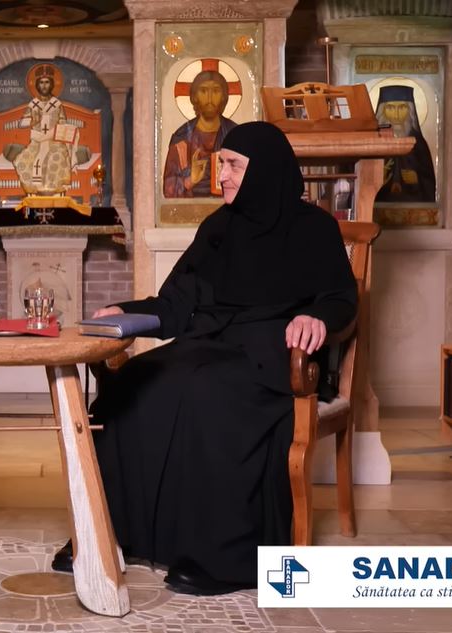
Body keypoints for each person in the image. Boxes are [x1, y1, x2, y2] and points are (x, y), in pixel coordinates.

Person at [53, 121, 357, 595]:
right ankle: (108, 535)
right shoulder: (218, 227)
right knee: (131, 385)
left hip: (272, 353)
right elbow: (177, 303)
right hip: (209, 344)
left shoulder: (314, 228)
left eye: (233, 165)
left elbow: (341, 298)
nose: (222, 176)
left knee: (207, 393)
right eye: (221, 165)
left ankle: (224, 558)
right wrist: (126, 311)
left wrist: (316, 317)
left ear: (265, 170)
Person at [162, 70, 238, 198]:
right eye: (203, 91)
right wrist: (190, 180)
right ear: (194, 97)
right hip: (190, 209)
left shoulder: (236, 135)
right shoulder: (182, 139)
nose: (209, 98)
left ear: (224, 96)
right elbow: (168, 189)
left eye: (216, 91)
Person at [11, 64, 77, 195]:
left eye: (47, 82)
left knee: (56, 159)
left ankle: (55, 194)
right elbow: (21, 123)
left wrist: (58, 133)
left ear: (51, 85)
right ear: (37, 85)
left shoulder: (57, 105)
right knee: (22, 160)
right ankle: (34, 194)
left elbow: (63, 124)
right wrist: (32, 121)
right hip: (36, 142)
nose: (44, 85)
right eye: (41, 83)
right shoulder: (33, 104)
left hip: (54, 143)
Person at [374, 84, 437, 203]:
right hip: (378, 204)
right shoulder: (374, 141)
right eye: (390, 108)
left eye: (402, 107)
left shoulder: (418, 144)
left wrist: (416, 179)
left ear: (410, 111)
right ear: (383, 111)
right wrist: (378, 175)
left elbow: (429, 181)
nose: (396, 115)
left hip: (412, 204)